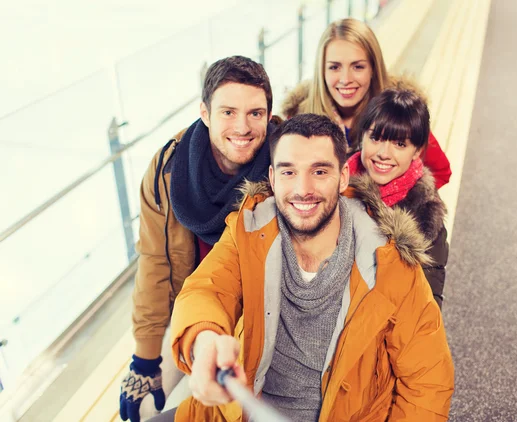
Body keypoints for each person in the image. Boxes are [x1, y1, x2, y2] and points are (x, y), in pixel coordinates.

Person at [166, 114, 454, 421]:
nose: (303, 189)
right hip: (240, 412)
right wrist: (203, 338)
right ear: (273, 179)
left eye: (319, 171)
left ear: (343, 177)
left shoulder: (391, 262)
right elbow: (206, 289)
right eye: (289, 172)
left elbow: (427, 382)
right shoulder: (247, 231)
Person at [119, 55, 277, 422]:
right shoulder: (167, 172)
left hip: (250, 318)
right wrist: (144, 358)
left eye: (255, 113)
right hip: (191, 310)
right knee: (140, 407)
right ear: (204, 113)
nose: (242, 126)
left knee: (204, 403)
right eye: (228, 112)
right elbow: (154, 263)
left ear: (269, 116)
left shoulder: (281, 168)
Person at [281, 17, 452, 189]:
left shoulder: (398, 113)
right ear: (322, 71)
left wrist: (389, 201)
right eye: (334, 67)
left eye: (358, 67)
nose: (345, 79)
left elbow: (440, 171)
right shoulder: (298, 119)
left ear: (373, 68)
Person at [347, 87, 449, 309]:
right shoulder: (333, 180)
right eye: (375, 138)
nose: (384, 153)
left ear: (416, 151)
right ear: (362, 137)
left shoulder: (426, 215)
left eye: (400, 144)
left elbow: (427, 305)